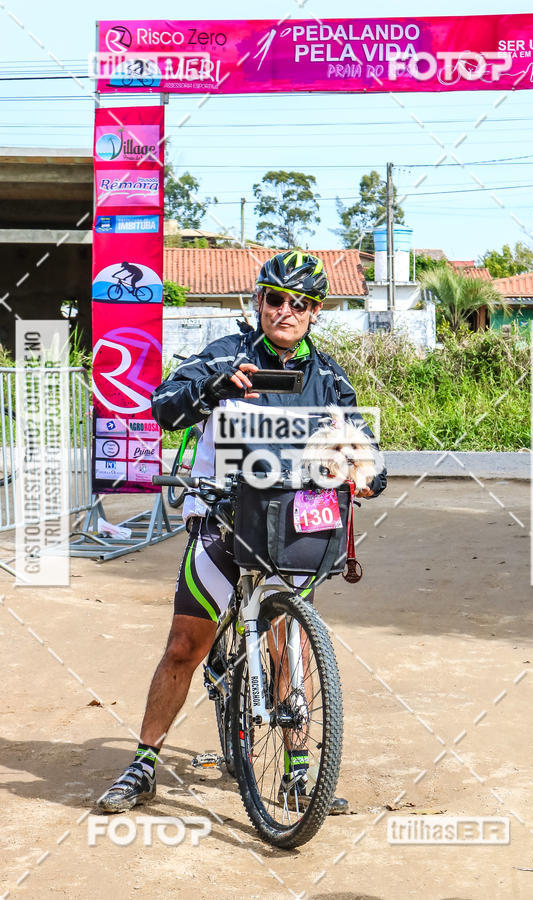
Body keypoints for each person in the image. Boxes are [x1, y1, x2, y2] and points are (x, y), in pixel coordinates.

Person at [97, 251, 387, 815]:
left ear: (315, 312)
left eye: (299, 303)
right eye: (275, 298)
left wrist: (369, 474)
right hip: (223, 519)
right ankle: (144, 762)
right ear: (257, 302)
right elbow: (163, 406)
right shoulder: (225, 354)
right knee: (185, 645)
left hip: (289, 524)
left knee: (289, 643)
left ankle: (300, 772)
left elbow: (363, 445)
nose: (286, 310)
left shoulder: (327, 378)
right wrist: (213, 390)